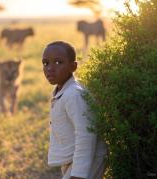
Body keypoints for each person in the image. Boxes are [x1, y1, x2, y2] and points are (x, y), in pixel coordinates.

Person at [42, 41, 107, 179]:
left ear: (73, 66)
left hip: (88, 159)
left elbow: (86, 134)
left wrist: (78, 174)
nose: (50, 68)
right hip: (74, 159)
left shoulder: (74, 94)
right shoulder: (62, 91)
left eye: (58, 62)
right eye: (46, 63)